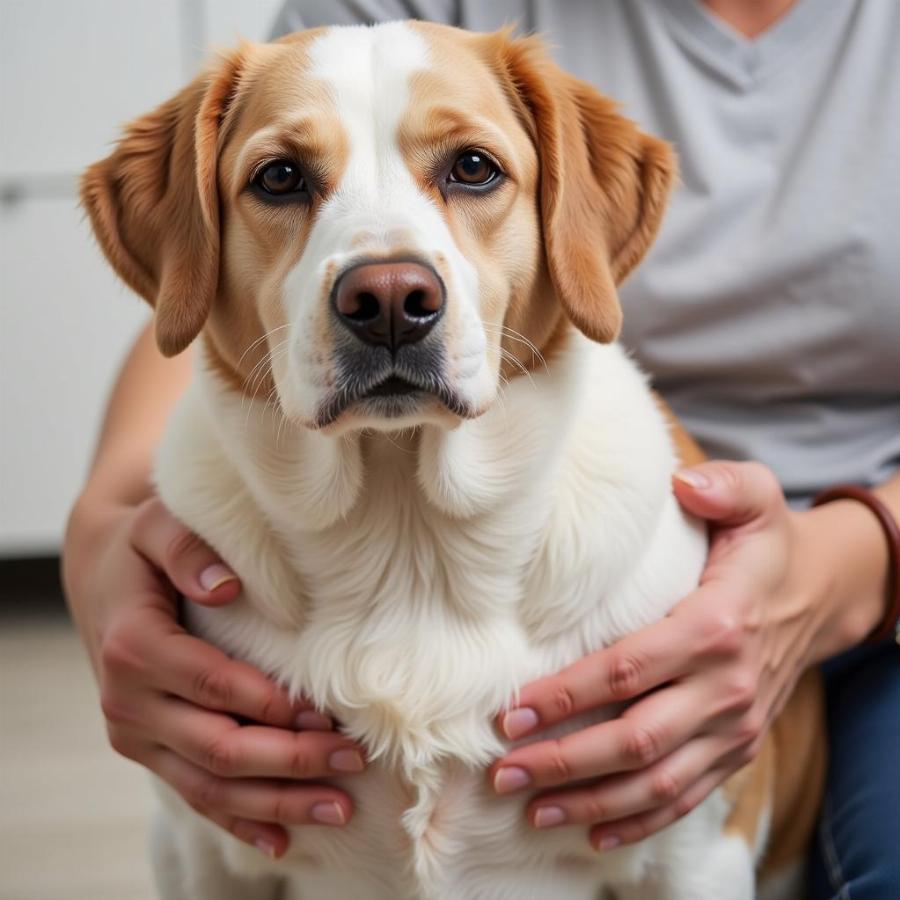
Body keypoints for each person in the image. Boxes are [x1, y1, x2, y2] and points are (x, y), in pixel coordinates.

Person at [62, 0, 900, 896]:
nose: (386, 282)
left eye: (470, 169)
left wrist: (866, 554)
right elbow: (192, 305)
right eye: (282, 182)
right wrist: (104, 528)